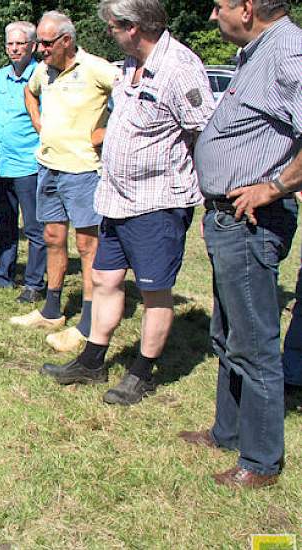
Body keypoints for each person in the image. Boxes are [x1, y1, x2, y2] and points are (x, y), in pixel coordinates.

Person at [41, 0, 213, 403]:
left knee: (154, 291)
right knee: (104, 279)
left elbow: (204, 132)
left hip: (157, 201)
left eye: (113, 26)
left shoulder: (178, 67)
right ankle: (93, 360)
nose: (108, 32)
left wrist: (210, 196)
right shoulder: (125, 68)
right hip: (116, 199)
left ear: (134, 27)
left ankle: (142, 372)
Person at [179, 0, 301, 489]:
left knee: (254, 345)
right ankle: (227, 431)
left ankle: (260, 462)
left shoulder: (289, 51)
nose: (213, 16)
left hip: (254, 217)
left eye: (219, 5)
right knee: (227, 336)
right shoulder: (258, 52)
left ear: (247, 8)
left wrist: (273, 187)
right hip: (229, 218)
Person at [10, 11, 118, 352]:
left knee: (88, 246)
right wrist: (39, 122)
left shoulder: (97, 69)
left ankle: (88, 323)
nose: (39, 49)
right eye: (39, 42)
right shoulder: (44, 71)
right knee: (53, 237)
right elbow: (30, 93)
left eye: (46, 43)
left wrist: (107, 132)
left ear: (66, 41)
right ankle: (52, 310)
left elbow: (135, 97)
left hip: (83, 170)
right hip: (49, 167)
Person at [0, 21, 46, 303]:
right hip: (2, 164)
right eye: (10, 44)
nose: (13, 49)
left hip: (30, 165)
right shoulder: (0, 77)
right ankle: (4, 276)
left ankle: (35, 283)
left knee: (35, 228)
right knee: (6, 225)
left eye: (19, 44)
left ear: (32, 46)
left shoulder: (43, 76)